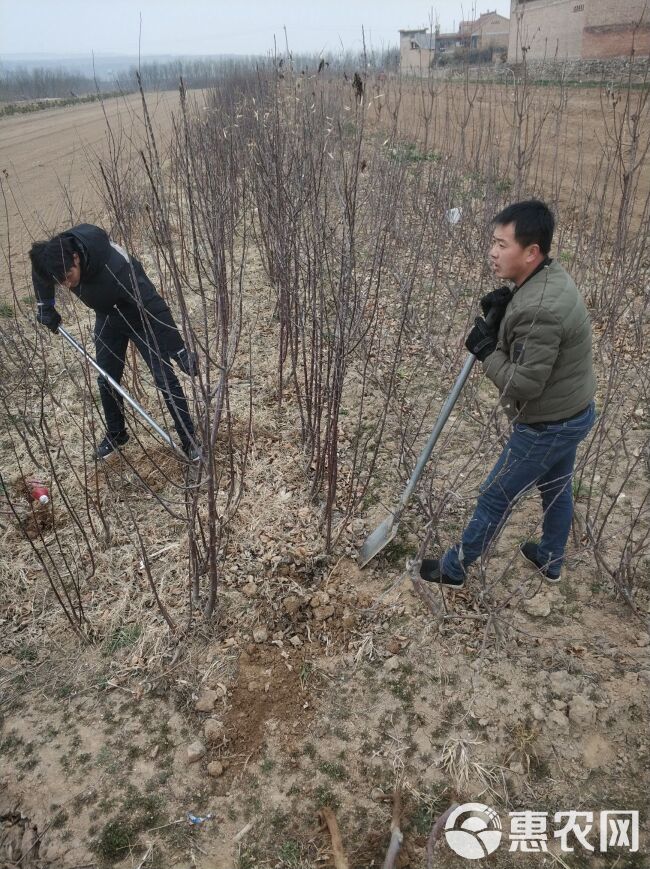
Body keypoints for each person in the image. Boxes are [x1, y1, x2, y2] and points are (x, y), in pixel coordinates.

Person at [420, 200, 596, 587]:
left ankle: (453, 570)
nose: (492, 252)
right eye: (493, 242)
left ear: (532, 252)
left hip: (548, 424)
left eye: (502, 244)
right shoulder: (546, 277)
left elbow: (524, 383)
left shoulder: (541, 310)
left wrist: (486, 350)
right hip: (573, 411)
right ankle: (550, 558)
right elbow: (530, 342)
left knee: (495, 495)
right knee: (556, 487)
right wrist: (507, 308)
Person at [30, 224, 200, 461]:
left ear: (76, 258)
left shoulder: (118, 269)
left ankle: (189, 440)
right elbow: (41, 271)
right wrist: (44, 305)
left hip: (140, 318)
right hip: (108, 316)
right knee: (106, 379)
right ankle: (117, 434)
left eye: (68, 277)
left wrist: (179, 349)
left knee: (165, 380)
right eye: (61, 283)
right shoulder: (55, 256)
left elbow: (154, 306)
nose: (67, 285)